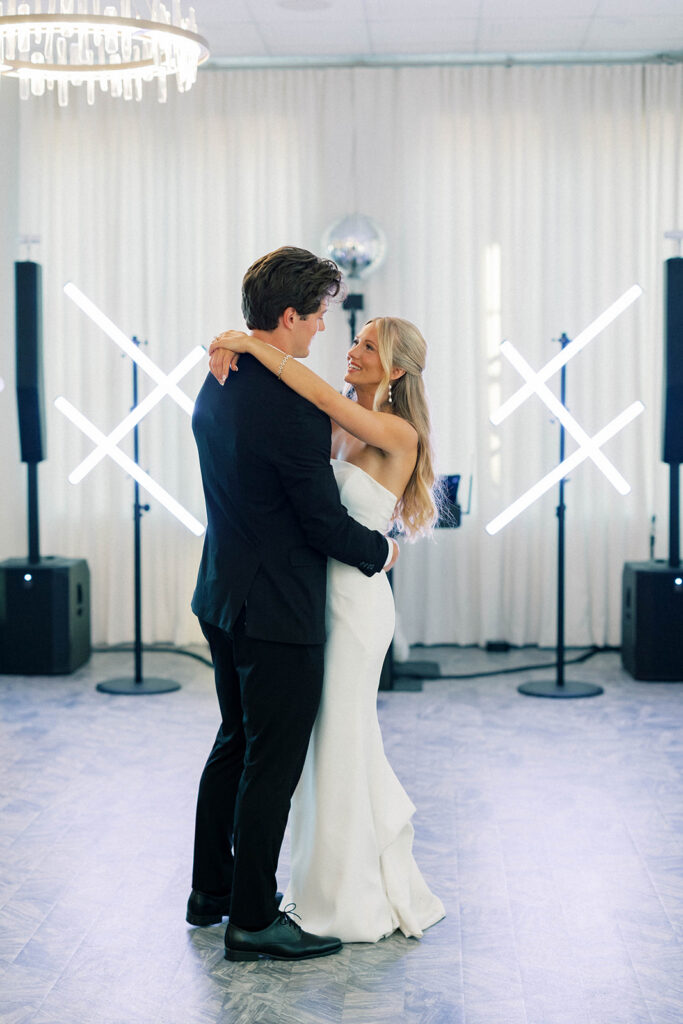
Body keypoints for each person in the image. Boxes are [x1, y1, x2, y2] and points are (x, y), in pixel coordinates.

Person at [188, 247, 398, 963]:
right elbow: (321, 524)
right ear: (287, 316)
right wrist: (383, 554)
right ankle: (251, 919)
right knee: (269, 765)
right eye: (314, 319)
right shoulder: (291, 405)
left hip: (220, 594)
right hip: (276, 612)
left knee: (234, 743)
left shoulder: (220, 377)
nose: (320, 334)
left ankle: (208, 893)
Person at [208, 314, 445, 943]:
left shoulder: (394, 431)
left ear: (396, 371)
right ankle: (320, 879)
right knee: (318, 748)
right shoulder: (337, 423)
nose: (354, 348)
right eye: (357, 338)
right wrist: (231, 344)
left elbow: (311, 392)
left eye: (371, 346)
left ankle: (347, 897)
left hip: (357, 607)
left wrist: (248, 343)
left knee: (341, 738)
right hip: (311, 600)